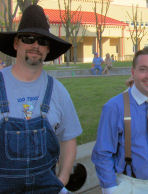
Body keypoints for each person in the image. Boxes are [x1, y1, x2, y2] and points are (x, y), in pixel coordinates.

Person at [0, 5, 82, 193]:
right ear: (16, 43)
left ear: (47, 50)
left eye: (42, 41)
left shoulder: (58, 91)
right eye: (29, 38)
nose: (36, 45)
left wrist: (62, 179)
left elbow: (69, 138)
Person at [91, 47, 148, 194]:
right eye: (143, 69)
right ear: (133, 72)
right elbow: (102, 153)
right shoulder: (114, 107)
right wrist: (110, 189)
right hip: (130, 185)